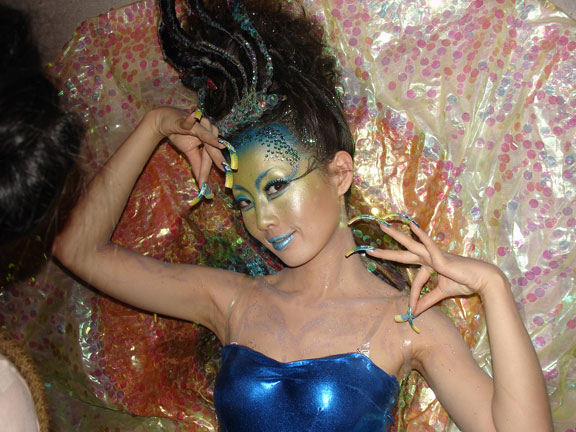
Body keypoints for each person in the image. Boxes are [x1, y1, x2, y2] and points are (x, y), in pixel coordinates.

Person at [52, 0, 552, 430]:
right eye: (244, 201)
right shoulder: (232, 303)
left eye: (276, 186)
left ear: (340, 173)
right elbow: (77, 250)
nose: (262, 220)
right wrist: (157, 125)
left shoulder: (407, 322)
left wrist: (492, 287)